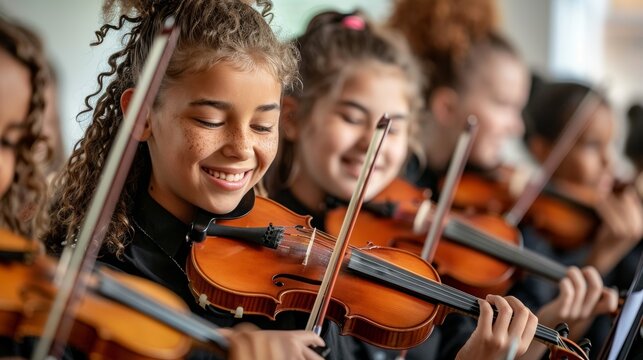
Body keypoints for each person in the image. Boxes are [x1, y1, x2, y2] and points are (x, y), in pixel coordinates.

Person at [43, 1, 326, 359]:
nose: (242, 148)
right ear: (142, 117)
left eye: (262, 126)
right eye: (209, 121)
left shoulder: (288, 280)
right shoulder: (97, 279)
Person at [267, 10, 540, 360]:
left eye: (391, 128)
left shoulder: (406, 255)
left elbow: (450, 344)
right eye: (351, 118)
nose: (372, 142)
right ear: (291, 119)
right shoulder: (268, 255)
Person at [389, 0, 618, 357]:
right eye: (504, 104)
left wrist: (555, 319)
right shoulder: (393, 186)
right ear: (447, 107)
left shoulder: (497, 210)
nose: (518, 126)